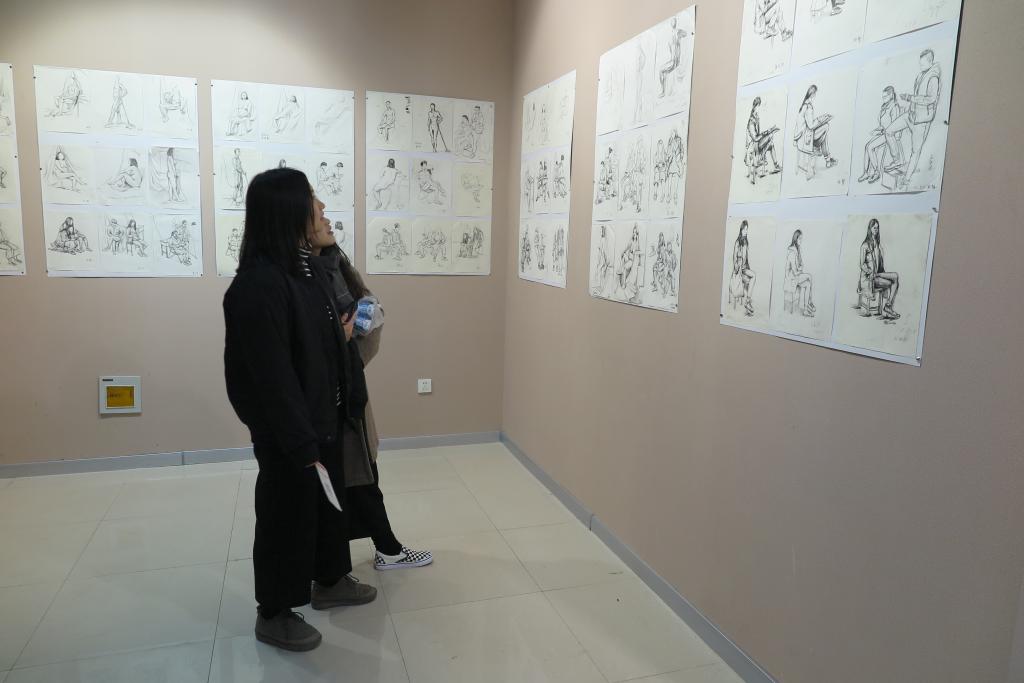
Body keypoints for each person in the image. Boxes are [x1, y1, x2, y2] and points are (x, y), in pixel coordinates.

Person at [223, 168, 377, 653]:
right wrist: (298, 439)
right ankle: (274, 611)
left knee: (328, 509)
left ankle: (330, 579)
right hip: (290, 433)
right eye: (313, 199)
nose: (323, 208)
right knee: (285, 517)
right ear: (288, 211)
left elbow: (325, 346)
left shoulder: (306, 273)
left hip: (324, 419)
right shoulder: (257, 286)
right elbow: (268, 378)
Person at [314, 239, 434, 574]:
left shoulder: (337, 268)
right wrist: (341, 338)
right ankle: (377, 552)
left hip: (349, 394)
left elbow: (368, 320)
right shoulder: (306, 275)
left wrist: (353, 336)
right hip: (326, 402)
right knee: (354, 482)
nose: (326, 219)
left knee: (363, 477)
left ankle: (384, 549)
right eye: (318, 214)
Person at [884, 49, 942, 189]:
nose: (920, 66)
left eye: (923, 64)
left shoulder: (933, 78)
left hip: (921, 121)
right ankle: (897, 159)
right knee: (889, 131)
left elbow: (931, 99)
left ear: (930, 62)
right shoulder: (921, 75)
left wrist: (910, 98)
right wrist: (909, 101)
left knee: (915, 151)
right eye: (920, 63)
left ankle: (907, 179)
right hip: (911, 115)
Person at [859, 86, 904, 184]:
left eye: (885, 97)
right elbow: (883, 124)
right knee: (867, 146)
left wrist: (882, 131)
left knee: (870, 147)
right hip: (883, 133)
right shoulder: (884, 107)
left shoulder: (894, 108)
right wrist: (877, 130)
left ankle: (876, 172)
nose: (883, 99)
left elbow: (894, 127)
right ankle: (866, 172)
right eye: (883, 97)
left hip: (890, 135)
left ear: (891, 96)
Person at [857, 218, 900, 320]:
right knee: (890, 283)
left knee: (895, 276)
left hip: (877, 274)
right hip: (869, 278)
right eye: (874, 228)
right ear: (870, 229)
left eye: (877, 228)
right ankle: (888, 308)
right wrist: (869, 271)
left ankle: (888, 306)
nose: (876, 230)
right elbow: (861, 264)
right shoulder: (865, 245)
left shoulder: (877, 244)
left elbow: (879, 262)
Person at [792, 85, 837, 178]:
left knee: (824, 134)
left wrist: (819, 119)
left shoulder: (803, 105)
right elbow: (811, 126)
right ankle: (824, 155)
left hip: (802, 137)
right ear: (812, 94)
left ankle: (828, 159)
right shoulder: (808, 107)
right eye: (815, 93)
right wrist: (821, 120)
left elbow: (808, 124)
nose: (815, 95)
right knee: (826, 126)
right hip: (806, 139)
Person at [745, 97, 782, 183]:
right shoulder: (751, 121)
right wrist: (768, 132)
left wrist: (769, 131)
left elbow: (758, 135)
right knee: (770, 136)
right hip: (753, 145)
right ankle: (762, 158)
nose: (760, 108)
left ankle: (776, 165)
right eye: (759, 106)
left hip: (757, 143)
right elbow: (755, 138)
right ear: (755, 107)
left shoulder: (756, 118)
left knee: (771, 144)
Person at [784, 229, 815, 316]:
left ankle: (805, 309)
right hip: (791, 279)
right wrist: (800, 269)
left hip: (795, 277)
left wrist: (800, 269)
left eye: (802, 238)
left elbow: (801, 265)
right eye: (800, 238)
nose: (801, 240)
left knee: (808, 284)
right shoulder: (792, 252)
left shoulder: (798, 250)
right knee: (809, 276)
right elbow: (795, 271)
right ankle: (810, 302)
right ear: (795, 238)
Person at [731, 220, 756, 316]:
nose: (746, 231)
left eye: (747, 229)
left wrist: (745, 267)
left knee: (750, 279)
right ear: (741, 230)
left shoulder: (746, 241)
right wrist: (737, 269)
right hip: (739, 271)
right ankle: (748, 303)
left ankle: (747, 303)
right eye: (745, 229)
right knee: (751, 277)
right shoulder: (738, 242)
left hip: (744, 268)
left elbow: (746, 258)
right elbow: (734, 258)